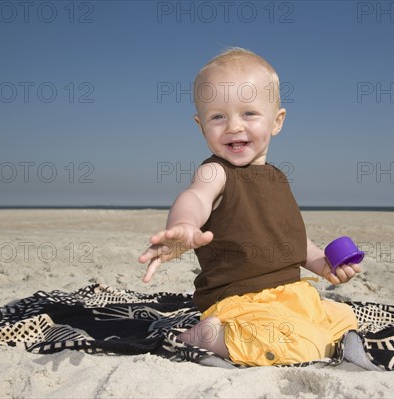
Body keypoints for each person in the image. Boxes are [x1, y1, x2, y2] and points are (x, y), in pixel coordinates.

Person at [138, 47, 364, 367]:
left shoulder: (278, 178)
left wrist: (323, 265)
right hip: (240, 300)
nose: (233, 126)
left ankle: (240, 333)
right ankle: (208, 335)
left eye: (248, 113)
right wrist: (185, 226)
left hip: (290, 293)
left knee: (341, 317)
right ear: (202, 127)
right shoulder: (215, 171)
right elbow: (195, 198)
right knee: (303, 344)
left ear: (277, 121)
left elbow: (291, 240)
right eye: (218, 116)